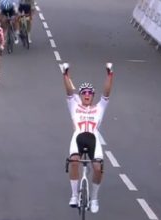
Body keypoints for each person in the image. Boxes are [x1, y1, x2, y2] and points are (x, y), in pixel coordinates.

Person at [61, 62, 114, 214]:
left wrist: (110, 74)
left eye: (89, 93)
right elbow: (69, 91)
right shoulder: (74, 105)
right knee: (74, 162)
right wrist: (65, 74)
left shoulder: (99, 108)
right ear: (81, 95)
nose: (86, 95)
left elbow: (106, 93)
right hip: (77, 137)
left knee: (98, 168)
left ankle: (94, 198)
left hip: (93, 139)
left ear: (92, 96)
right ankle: (73, 195)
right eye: (83, 92)